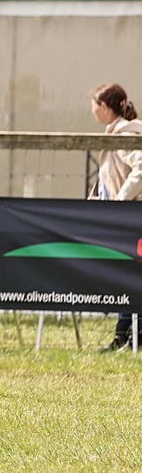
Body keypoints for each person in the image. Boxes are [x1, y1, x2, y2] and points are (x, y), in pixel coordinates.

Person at [88, 83, 142, 351]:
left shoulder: (126, 133)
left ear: (105, 107)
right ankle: (125, 336)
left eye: (94, 106)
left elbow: (140, 168)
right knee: (127, 272)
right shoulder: (116, 132)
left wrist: (120, 201)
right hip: (121, 216)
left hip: (130, 216)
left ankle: (132, 336)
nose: (93, 112)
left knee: (132, 273)